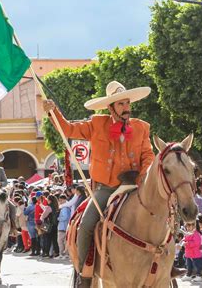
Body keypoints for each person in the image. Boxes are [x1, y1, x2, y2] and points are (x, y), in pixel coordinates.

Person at [43, 81, 155, 287]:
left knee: (163, 216)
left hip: (136, 187)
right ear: (110, 107)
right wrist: (53, 113)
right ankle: (85, 274)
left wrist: (144, 174)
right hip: (107, 189)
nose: (126, 108)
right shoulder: (96, 124)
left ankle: (166, 264)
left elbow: (148, 154)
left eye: (127, 103)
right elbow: (68, 129)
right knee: (85, 226)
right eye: (121, 104)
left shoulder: (141, 127)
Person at [57, 195, 71, 259]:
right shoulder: (67, 206)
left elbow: (65, 217)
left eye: (60, 200)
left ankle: (62, 254)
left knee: (60, 241)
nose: (60, 202)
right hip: (65, 226)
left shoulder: (65, 208)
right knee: (64, 241)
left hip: (63, 226)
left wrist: (59, 218)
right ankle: (65, 254)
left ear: (64, 199)